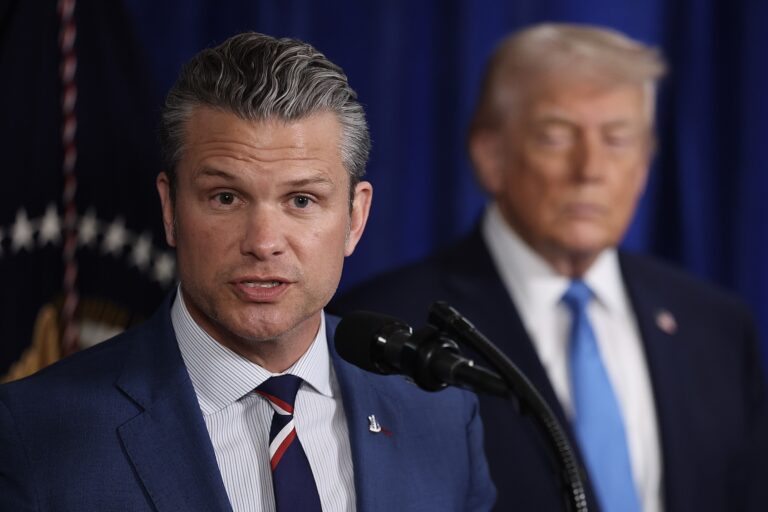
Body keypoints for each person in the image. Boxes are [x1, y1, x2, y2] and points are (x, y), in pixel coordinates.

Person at [0, 32, 496, 511]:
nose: (263, 243)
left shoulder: (440, 415)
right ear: (170, 210)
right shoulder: (32, 432)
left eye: (301, 200)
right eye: (226, 198)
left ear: (355, 218)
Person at [331, 23, 768, 512]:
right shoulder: (386, 330)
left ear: (645, 163)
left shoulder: (716, 327)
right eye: (557, 137)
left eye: (617, 139)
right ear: (491, 156)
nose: (590, 169)